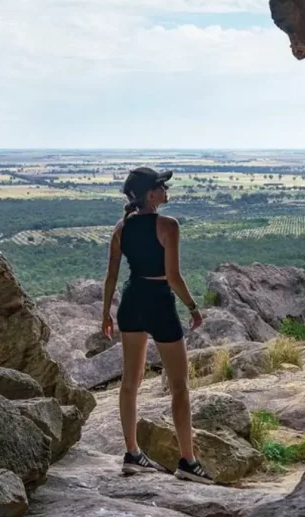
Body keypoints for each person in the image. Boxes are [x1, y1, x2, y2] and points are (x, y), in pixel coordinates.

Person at [101, 166, 214, 484]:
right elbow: (174, 277)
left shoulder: (121, 227)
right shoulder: (168, 225)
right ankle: (188, 462)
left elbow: (111, 274)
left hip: (132, 301)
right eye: (162, 186)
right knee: (179, 386)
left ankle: (132, 454)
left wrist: (105, 314)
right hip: (159, 303)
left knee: (129, 383)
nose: (167, 190)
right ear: (150, 195)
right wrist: (193, 308)